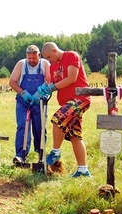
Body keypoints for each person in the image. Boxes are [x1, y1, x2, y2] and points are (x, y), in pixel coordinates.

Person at [36, 42, 91, 177]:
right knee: (75, 136)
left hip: (80, 98)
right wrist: (45, 88)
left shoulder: (71, 56)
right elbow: (56, 83)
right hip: (67, 103)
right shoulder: (54, 66)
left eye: (49, 57)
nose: (49, 60)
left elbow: (71, 78)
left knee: (57, 119)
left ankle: (56, 152)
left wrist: (52, 87)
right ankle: (83, 170)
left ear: (55, 50)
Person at [9, 45, 51, 166]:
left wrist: (40, 93)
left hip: (40, 101)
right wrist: (23, 93)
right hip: (23, 101)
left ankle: (41, 153)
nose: (31, 61)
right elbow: (12, 82)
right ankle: (20, 155)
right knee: (23, 126)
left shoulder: (45, 64)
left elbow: (49, 80)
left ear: (39, 55)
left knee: (40, 127)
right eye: (29, 58)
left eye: (34, 58)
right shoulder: (21, 64)